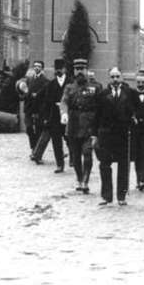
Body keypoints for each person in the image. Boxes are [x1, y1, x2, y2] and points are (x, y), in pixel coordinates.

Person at [94, 67, 135, 206]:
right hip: (106, 135)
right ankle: (107, 196)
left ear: (122, 77)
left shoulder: (129, 93)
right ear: (109, 78)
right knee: (104, 165)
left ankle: (121, 196)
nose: (115, 79)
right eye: (112, 77)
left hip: (123, 135)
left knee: (123, 166)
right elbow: (97, 116)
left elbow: (135, 111)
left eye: (117, 76)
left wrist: (133, 119)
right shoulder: (102, 94)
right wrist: (95, 134)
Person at [59, 58, 100, 193]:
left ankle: (85, 181)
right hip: (73, 125)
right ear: (74, 71)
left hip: (89, 125)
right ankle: (79, 177)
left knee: (87, 153)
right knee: (76, 156)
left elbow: (101, 105)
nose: (80, 71)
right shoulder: (69, 87)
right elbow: (64, 102)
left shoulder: (95, 87)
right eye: (77, 69)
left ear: (87, 70)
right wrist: (64, 114)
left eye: (82, 68)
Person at [32, 58, 70, 172]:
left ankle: (73, 157)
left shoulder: (70, 83)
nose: (58, 71)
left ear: (65, 69)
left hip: (68, 116)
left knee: (70, 139)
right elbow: (45, 101)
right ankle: (60, 164)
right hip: (54, 116)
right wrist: (44, 117)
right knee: (56, 141)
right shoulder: (51, 84)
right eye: (56, 69)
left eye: (61, 69)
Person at [24, 60, 48, 156]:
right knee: (29, 128)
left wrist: (37, 95)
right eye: (35, 66)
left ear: (42, 68)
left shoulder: (45, 81)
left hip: (39, 109)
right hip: (29, 108)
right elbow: (25, 91)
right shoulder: (29, 79)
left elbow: (46, 95)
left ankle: (36, 152)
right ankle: (33, 147)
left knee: (38, 130)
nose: (36, 68)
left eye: (39, 66)